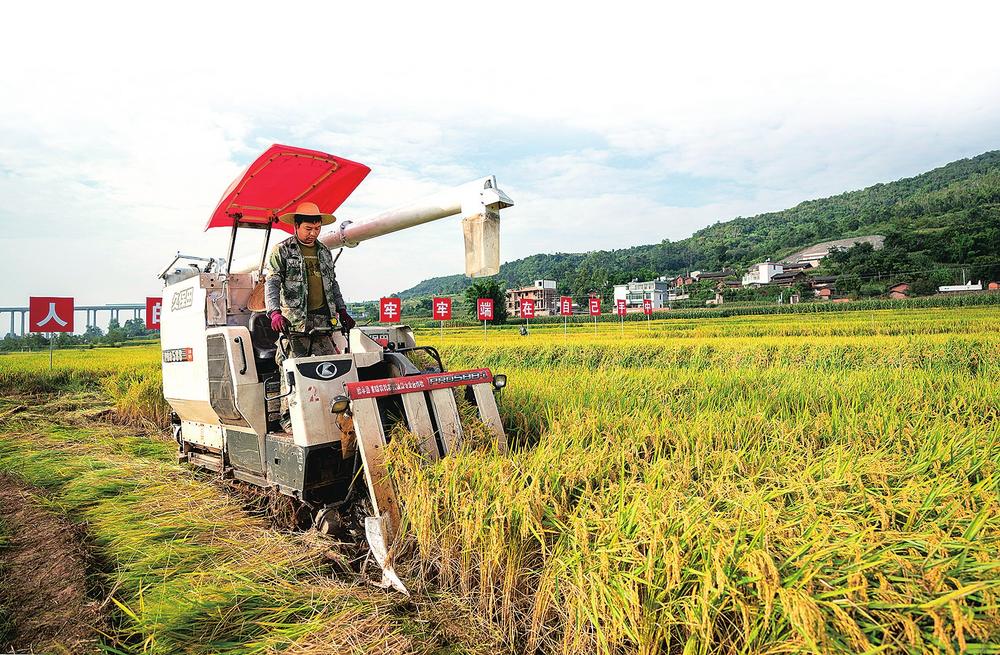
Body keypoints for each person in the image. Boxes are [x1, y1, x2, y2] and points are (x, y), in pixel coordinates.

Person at [264, 201, 357, 362]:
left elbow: (332, 283)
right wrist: (274, 313)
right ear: (296, 226)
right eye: (308, 229)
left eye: (317, 228)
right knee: (294, 369)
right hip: (295, 323)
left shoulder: (324, 251)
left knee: (330, 366)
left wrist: (342, 310)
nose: (313, 233)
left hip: (322, 323)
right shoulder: (282, 250)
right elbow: (272, 282)